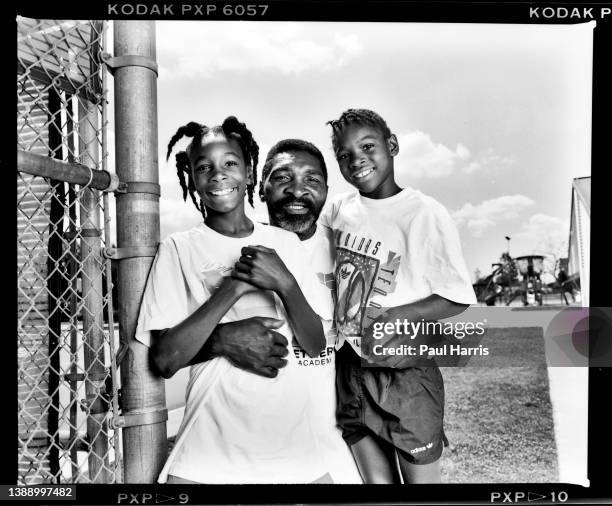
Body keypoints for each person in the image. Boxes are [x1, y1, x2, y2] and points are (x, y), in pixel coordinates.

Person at [134, 117, 330, 484]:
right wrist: (232, 293)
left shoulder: (285, 244)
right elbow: (164, 358)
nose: (217, 175)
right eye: (203, 167)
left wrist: (285, 283)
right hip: (210, 447)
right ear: (191, 178)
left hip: (292, 446)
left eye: (229, 164)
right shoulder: (180, 249)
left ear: (249, 171)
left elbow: (315, 343)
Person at [321, 108, 477, 484]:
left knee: (421, 491)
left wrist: (398, 314)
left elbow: (456, 295)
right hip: (350, 370)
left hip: (404, 373)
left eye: (368, 146)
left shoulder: (424, 213)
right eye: (344, 154)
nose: (356, 159)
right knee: (378, 489)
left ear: (391, 146)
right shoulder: (339, 210)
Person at [201, 139, 362, 483]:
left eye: (312, 181)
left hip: (326, 437)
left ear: (326, 191)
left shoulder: (346, 247)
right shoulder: (233, 248)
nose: (298, 191)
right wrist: (219, 340)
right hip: (247, 437)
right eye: (283, 178)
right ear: (260, 188)